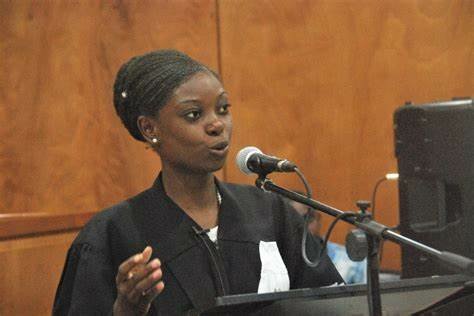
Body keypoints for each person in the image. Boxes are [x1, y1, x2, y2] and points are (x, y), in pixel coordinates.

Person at [53, 49, 343, 315]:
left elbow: (334, 305)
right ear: (150, 128)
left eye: (223, 109)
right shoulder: (112, 234)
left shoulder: (271, 213)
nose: (217, 125)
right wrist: (125, 311)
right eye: (194, 114)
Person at [289, 198, 367, 284]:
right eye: (296, 221)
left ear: (318, 219)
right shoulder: (279, 266)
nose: (303, 225)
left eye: (309, 218)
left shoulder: (352, 262)